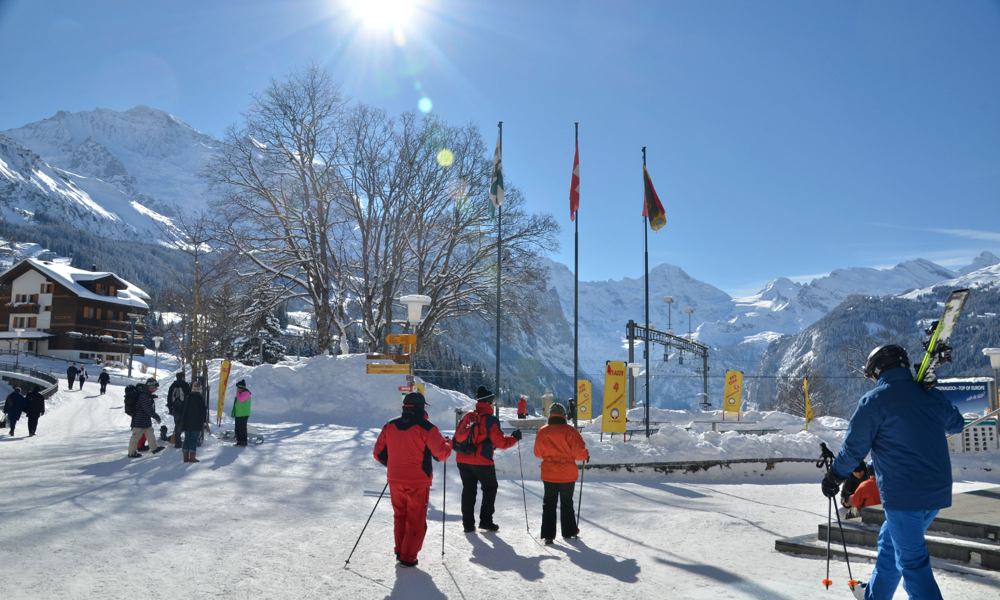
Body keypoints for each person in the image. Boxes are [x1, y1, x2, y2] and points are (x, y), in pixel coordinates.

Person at [821, 344, 964, 600]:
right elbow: (956, 423)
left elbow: (854, 449)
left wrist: (834, 477)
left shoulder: (874, 402)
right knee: (889, 546)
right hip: (935, 493)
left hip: (904, 497)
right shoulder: (928, 395)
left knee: (913, 564)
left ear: (877, 370)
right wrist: (933, 390)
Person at [372, 392, 452, 567]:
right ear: (422, 407)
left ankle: (400, 550)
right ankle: (408, 556)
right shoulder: (427, 428)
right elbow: (441, 454)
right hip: (418, 482)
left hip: (395, 479)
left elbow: (378, 453)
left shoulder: (390, 426)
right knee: (415, 519)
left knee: (400, 516)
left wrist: (394, 464)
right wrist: (448, 443)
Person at [455, 386, 520, 533]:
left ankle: (468, 524)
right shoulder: (490, 420)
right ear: (489, 402)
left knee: (468, 490)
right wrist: (514, 438)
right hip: (482, 461)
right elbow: (500, 443)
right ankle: (485, 521)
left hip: (463, 459)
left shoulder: (468, 416)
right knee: (490, 488)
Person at [533, 402, 589, 544]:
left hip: (549, 474)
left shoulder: (543, 431)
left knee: (549, 504)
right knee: (566, 503)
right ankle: (569, 531)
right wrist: (586, 454)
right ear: (563, 415)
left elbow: (537, 453)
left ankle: (548, 535)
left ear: (550, 415)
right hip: (567, 475)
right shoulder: (571, 431)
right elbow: (579, 452)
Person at [128, 378, 164, 458]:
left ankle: (154, 449)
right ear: (150, 386)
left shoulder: (147, 394)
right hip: (139, 420)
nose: (156, 389)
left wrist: (151, 397)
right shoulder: (144, 395)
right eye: (155, 387)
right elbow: (148, 409)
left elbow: (148, 406)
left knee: (150, 433)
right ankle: (131, 453)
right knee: (135, 437)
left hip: (145, 420)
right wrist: (156, 416)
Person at [180, 381, 207, 463]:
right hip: (196, 423)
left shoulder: (188, 397)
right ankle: (192, 457)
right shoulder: (200, 399)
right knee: (193, 440)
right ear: (200, 390)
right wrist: (203, 421)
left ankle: (185, 457)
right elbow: (203, 413)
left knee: (187, 439)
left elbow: (184, 411)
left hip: (187, 423)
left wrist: (183, 422)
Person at [167, 372, 191, 448]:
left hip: (174, 408)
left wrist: (170, 408)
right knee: (180, 424)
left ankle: (176, 439)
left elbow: (169, 398)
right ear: (183, 377)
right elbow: (189, 397)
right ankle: (178, 442)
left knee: (177, 423)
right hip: (184, 408)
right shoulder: (186, 385)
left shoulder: (172, 385)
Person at [231, 379, 252, 446]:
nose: (237, 389)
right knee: (237, 428)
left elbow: (241, 400)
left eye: (238, 387)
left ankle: (243, 441)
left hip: (243, 414)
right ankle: (239, 441)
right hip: (238, 413)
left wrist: (237, 393)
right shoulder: (241, 393)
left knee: (242, 428)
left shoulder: (246, 393)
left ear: (241, 387)